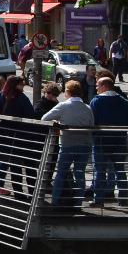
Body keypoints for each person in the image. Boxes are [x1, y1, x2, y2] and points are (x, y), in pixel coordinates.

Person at [43, 80, 96, 210]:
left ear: (68, 92)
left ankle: (55, 201)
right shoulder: (87, 108)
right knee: (80, 174)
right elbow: (92, 125)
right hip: (85, 145)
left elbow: (44, 118)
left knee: (61, 173)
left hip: (67, 144)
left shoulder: (63, 106)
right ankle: (78, 203)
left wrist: (57, 122)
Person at [0, 74, 39, 196]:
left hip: (3, 133)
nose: (23, 86)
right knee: (22, 165)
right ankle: (29, 193)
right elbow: (30, 115)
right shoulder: (21, 98)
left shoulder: (1, 95)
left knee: (1, 160)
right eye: (21, 84)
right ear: (16, 85)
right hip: (19, 135)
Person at [88, 76, 128, 207]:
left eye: (98, 86)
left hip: (101, 141)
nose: (96, 88)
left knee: (100, 171)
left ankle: (98, 200)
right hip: (120, 141)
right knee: (120, 170)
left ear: (104, 86)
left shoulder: (96, 101)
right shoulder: (123, 101)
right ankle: (123, 199)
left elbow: (92, 121)